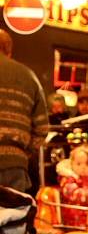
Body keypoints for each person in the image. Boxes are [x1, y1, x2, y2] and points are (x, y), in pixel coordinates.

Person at [0, 28, 48, 194]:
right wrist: (23, 153)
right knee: (12, 216)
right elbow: (42, 129)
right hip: (15, 165)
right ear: (9, 51)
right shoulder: (29, 76)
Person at [57, 143, 88, 227]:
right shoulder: (68, 179)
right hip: (74, 219)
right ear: (72, 164)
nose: (83, 168)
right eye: (78, 164)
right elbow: (73, 193)